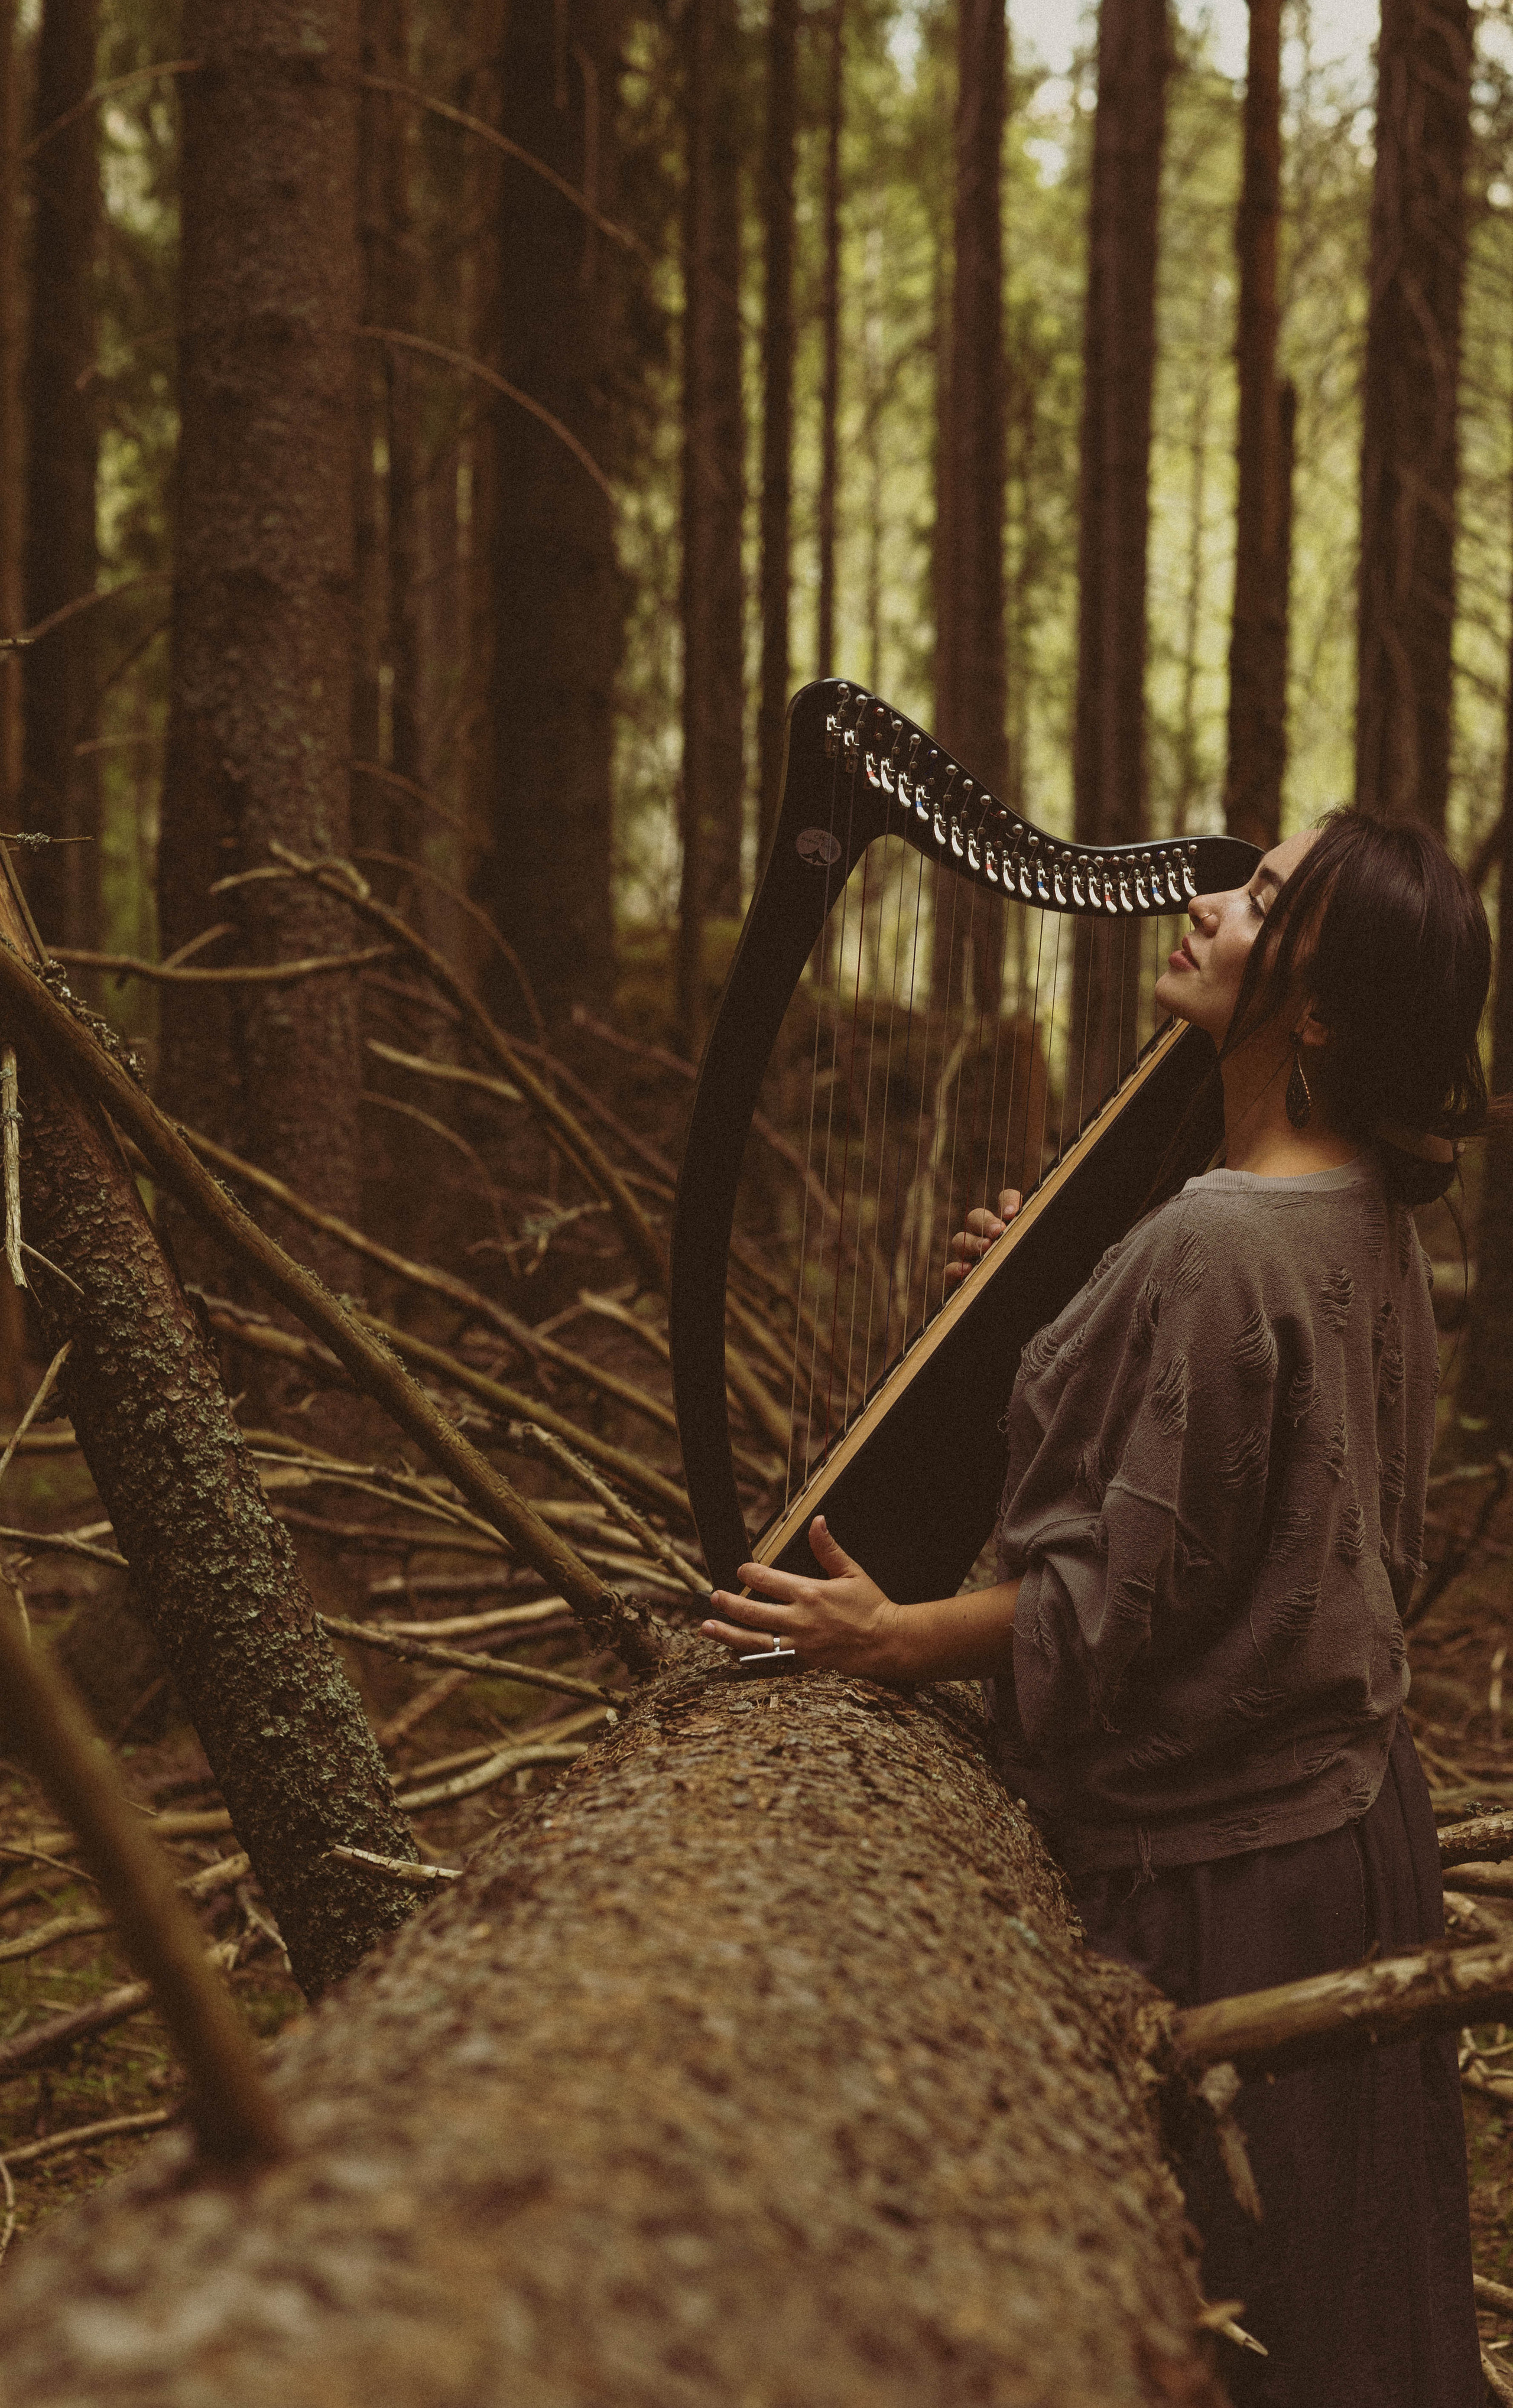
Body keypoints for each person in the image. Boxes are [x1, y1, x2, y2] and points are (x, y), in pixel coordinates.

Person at [703, 810, 1489, 2407]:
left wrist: (887, 1634)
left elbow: (1109, 1603)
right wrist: (1073, 1304)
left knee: (1230, 2329)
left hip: (1223, 1880)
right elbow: (1251, 1496)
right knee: (1355, 2334)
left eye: (1262, 899)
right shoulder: (1369, 1221)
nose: (1203, 902)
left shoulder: (1210, 1245)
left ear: (1320, 1014)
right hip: (1356, 1835)